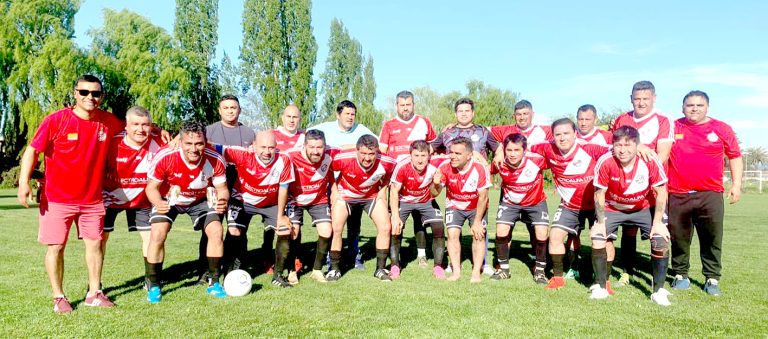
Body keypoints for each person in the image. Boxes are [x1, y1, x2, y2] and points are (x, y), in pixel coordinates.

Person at [17, 74, 122, 313]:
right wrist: (24, 182)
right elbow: (32, 151)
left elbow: (137, 128)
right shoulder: (56, 120)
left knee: (95, 244)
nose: (90, 97)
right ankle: (59, 297)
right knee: (56, 247)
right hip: (57, 199)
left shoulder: (108, 122)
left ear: (101, 96)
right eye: (84, 92)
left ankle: (94, 293)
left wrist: (161, 131)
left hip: (92, 199)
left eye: (95, 93)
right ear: (75, 94)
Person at [144, 121, 229, 303]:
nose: (194, 148)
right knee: (158, 232)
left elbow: (222, 188)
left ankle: (214, 282)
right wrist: (158, 202)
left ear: (206, 142)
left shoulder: (215, 158)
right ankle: (154, 284)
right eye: (188, 144)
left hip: (199, 200)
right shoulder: (165, 156)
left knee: (216, 230)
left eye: (199, 143)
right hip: (169, 199)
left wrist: (222, 200)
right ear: (179, 141)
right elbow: (151, 188)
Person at [668, 90, 742, 296]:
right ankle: (680, 274)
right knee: (679, 237)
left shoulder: (721, 128)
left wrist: (736, 185)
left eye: (699, 105)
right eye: (690, 105)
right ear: (682, 107)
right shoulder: (673, 127)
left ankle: (712, 277)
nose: (694, 109)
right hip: (677, 193)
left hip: (710, 194)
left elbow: (735, 156)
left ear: (707, 107)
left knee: (711, 238)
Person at [590, 126, 671, 305]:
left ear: (637, 145)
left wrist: (658, 223)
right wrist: (601, 222)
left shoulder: (649, 160)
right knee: (597, 236)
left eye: (628, 145)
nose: (622, 150)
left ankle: (658, 291)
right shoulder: (605, 161)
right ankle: (600, 287)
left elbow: (661, 192)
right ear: (612, 145)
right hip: (614, 208)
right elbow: (599, 194)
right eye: (618, 145)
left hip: (643, 207)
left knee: (660, 239)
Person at [529, 118, 609, 290]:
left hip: (596, 205)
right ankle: (558, 277)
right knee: (556, 236)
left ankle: (603, 279)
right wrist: (499, 151)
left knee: (604, 239)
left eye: (566, 133)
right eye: (558, 134)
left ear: (575, 134)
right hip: (570, 206)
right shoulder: (547, 148)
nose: (562, 138)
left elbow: (618, 149)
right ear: (553, 136)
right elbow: (522, 146)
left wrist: (640, 147)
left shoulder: (590, 149)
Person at [609, 81, 675, 287]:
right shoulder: (622, 119)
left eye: (646, 99)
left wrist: (635, 151)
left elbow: (661, 156)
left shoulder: (664, 120)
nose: (641, 103)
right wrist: (641, 147)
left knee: (659, 233)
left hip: (652, 189)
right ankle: (627, 272)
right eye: (637, 99)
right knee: (628, 232)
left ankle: (659, 283)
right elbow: (617, 150)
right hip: (625, 186)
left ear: (654, 98)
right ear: (631, 99)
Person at [215, 131, 295, 287]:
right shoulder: (242, 154)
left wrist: (281, 216)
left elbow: (284, 188)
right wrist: (178, 138)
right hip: (242, 200)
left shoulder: (284, 159)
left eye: (271, 147)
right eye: (263, 147)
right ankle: (230, 271)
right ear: (254, 146)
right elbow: (211, 146)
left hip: (270, 203)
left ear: (276, 147)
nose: (267, 152)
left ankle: (278, 276)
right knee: (234, 232)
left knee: (284, 229)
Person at [431, 97, 497, 274]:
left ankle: (484, 264)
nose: (464, 114)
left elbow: (498, 151)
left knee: (480, 229)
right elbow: (429, 149)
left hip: (478, 184)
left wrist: (490, 166)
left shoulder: (483, 131)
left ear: (473, 113)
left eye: (467, 110)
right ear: (455, 114)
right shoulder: (447, 133)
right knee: (453, 230)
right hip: (454, 184)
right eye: (460, 111)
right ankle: (453, 264)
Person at [102, 106, 165, 284]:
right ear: (126, 126)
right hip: (108, 197)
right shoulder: (111, 143)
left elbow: (183, 145)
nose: (140, 129)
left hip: (143, 200)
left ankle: (151, 281)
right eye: (135, 124)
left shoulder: (160, 143)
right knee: (100, 240)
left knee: (151, 238)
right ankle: (95, 284)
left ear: (151, 126)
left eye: (145, 125)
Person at [311, 100, 376, 269]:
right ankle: (329, 257)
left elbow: (378, 145)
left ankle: (354, 253)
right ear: (338, 115)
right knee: (334, 222)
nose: (350, 117)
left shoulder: (361, 130)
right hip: (331, 183)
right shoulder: (325, 128)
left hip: (353, 184)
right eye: (347, 114)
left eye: (353, 114)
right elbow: (307, 141)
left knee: (354, 222)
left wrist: (349, 146)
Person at [380, 90, 438, 268]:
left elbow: (433, 146)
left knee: (420, 218)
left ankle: (421, 255)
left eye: (408, 104)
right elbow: (382, 149)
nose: (405, 108)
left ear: (413, 104)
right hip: (398, 181)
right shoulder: (389, 125)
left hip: (421, 180)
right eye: (402, 105)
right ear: (396, 106)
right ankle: (395, 259)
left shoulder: (423, 122)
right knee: (396, 219)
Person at [203, 95, 257, 280]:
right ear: (219, 110)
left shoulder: (250, 133)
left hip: (240, 186)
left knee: (238, 228)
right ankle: (206, 270)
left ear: (239, 110)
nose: (230, 111)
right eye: (225, 107)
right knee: (212, 226)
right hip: (215, 184)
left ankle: (236, 267)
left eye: (233, 107)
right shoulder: (208, 131)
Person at [328, 135, 396, 281]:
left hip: (370, 196)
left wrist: (383, 189)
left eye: (371, 154)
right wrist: (334, 191)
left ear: (377, 152)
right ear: (356, 150)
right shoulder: (344, 158)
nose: (367, 158)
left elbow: (389, 173)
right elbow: (328, 169)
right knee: (336, 228)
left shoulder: (387, 161)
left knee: (385, 227)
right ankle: (334, 269)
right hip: (345, 195)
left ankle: (380, 269)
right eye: (363, 153)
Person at [490, 133, 549, 284]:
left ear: (524, 150)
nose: (512, 154)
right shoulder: (500, 162)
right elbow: (483, 170)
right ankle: (504, 269)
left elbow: (557, 163)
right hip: (510, 203)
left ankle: (540, 271)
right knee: (501, 231)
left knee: (541, 233)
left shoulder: (537, 160)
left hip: (536, 203)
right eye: (509, 150)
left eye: (517, 150)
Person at [433, 137, 491, 283]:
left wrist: (477, 222)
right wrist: (436, 184)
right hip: (454, 205)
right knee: (452, 235)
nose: (453, 156)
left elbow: (483, 197)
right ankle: (456, 272)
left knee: (478, 235)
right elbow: (434, 193)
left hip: (476, 205)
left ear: (469, 155)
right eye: (451, 152)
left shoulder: (479, 169)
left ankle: (476, 272)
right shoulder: (445, 166)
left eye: (458, 153)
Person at [389, 140, 447, 279]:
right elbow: (393, 192)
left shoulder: (435, 169)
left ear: (429, 156)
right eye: (416, 155)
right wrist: (395, 217)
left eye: (423, 155)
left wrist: (437, 184)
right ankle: (395, 265)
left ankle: (438, 267)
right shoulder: (402, 166)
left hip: (425, 200)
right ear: (410, 156)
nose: (420, 160)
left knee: (439, 227)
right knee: (395, 228)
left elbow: (434, 193)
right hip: (404, 200)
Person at [286, 130, 338, 283]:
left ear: (325, 146)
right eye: (312, 147)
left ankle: (316, 270)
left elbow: (352, 149)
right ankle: (291, 270)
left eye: (319, 147)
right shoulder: (290, 155)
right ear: (304, 146)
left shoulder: (330, 154)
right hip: (294, 200)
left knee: (327, 231)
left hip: (318, 199)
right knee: (293, 232)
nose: (316, 151)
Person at [273, 104, 306, 276]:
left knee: (294, 226)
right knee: (272, 224)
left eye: (295, 117)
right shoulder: (273, 135)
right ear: (282, 118)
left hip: (294, 189)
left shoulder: (304, 137)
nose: (292, 120)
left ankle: (295, 258)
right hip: (274, 188)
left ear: (299, 119)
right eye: (288, 117)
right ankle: (270, 258)